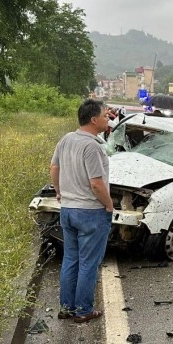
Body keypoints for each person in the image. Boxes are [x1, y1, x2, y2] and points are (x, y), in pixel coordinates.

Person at [50, 99, 113, 323]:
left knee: (70, 259)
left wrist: (59, 191)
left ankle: (67, 307)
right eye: (105, 116)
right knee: (88, 263)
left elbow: (54, 167)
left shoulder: (67, 139)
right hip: (90, 212)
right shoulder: (92, 146)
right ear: (94, 119)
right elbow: (96, 183)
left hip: (68, 209)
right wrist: (109, 204)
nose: (108, 119)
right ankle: (84, 310)